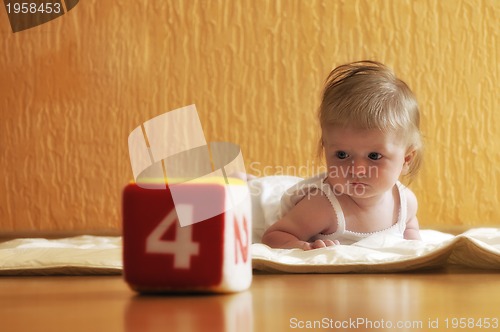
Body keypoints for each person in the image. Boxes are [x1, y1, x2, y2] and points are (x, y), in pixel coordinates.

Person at [262, 60, 423, 250]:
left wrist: (414, 247)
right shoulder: (322, 206)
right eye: (342, 154)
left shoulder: (405, 202)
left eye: (374, 156)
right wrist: (303, 247)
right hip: (264, 206)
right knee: (249, 193)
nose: (357, 169)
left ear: (406, 159)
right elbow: (274, 236)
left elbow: (409, 228)